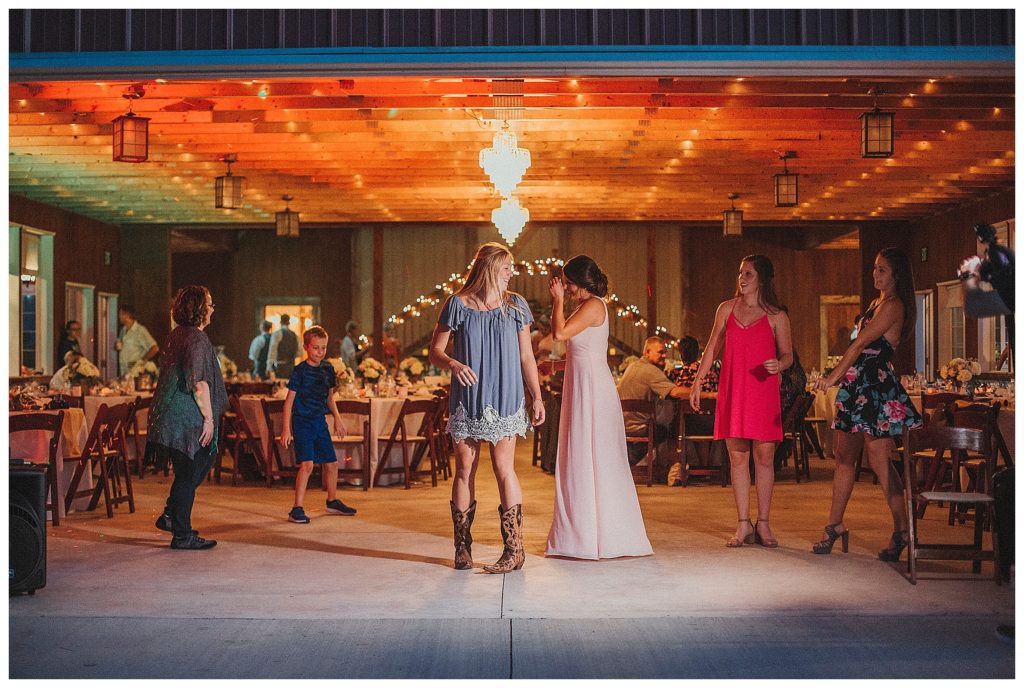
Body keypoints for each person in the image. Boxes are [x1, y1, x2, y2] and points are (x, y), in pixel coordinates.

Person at [428, 242, 545, 573]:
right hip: (468, 397)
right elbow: (435, 351)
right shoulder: (457, 305)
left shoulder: (516, 306)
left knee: (503, 469)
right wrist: (452, 363)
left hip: (507, 396)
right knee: (464, 469)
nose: (511, 273)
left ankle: (514, 550)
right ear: (491, 269)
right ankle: (462, 548)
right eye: (507, 267)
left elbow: (526, 356)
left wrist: (536, 396)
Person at [811, 248, 923, 559]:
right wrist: (843, 378)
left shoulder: (894, 306)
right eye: (875, 269)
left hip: (875, 387)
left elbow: (860, 343)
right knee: (844, 458)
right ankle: (834, 525)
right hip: (857, 384)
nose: (876, 274)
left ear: (896, 275)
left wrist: (833, 377)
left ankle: (903, 529)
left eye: (882, 270)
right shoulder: (875, 303)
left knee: (879, 462)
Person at [539, 255, 653, 560]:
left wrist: (556, 301)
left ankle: (604, 535)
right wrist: (556, 366)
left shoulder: (593, 305)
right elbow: (583, 351)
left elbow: (560, 334)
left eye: (567, 282)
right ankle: (581, 535)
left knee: (595, 457)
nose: (565, 286)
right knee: (580, 456)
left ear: (579, 281)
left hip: (592, 391)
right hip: (582, 385)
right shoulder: (585, 307)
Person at [689, 254, 793, 548]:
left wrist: (779, 365)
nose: (742, 278)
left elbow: (789, 355)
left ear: (762, 279)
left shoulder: (777, 316)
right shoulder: (726, 309)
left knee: (764, 457)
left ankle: (764, 523)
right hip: (734, 389)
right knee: (737, 457)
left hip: (763, 390)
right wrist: (697, 382)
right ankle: (743, 524)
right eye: (740, 273)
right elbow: (711, 349)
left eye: (748, 274)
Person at [148, 286, 227, 550]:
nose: (213, 309)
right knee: (190, 471)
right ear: (200, 309)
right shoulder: (196, 339)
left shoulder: (175, 335)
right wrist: (209, 419)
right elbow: (198, 382)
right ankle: (181, 534)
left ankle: (172, 516)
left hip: (169, 412)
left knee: (190, 470)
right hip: (187, 417)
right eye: (210, 304)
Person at [280, 326, 357, 523]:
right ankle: (296, 508)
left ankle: (332, 501)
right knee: (307, 464)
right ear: (306, 347)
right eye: (316, 348)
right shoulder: (300, 371)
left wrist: (338, 419)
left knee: (331, 463)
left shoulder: (328, 369)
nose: (320, 352)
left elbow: (330, 398)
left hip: (319, 422)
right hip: (302, 422)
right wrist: (286, 428)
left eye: (323, 348)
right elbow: (288, 402)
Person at [616, 336, 688, 466]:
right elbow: (675, 392)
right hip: (640, 427)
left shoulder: (632, 366)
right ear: (647, 352)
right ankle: (672, 466)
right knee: (669, 429)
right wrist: (708, 394)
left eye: (665, 352)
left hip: (622, 424)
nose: (664, 355)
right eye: (660, 352)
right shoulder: (651, 371)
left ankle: (631, 459)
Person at [115, 304, 159, 377]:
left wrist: (141, 361)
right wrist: (117, 346)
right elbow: (120, 346)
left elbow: (155, 348)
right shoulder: (123, 330)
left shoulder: (140, 330)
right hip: (124, 372)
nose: (119, 317)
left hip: (136, 373)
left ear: (127, 315)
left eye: (120, 314)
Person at [268, 313, 300, 379]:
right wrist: (292, 356)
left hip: (280, 366)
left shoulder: (277, 334)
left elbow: (272, 351)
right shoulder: (295, 335)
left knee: (280, 386)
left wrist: (269, 366)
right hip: (291, 366)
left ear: (280, 322)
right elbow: (300, 352)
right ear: (289, 322)